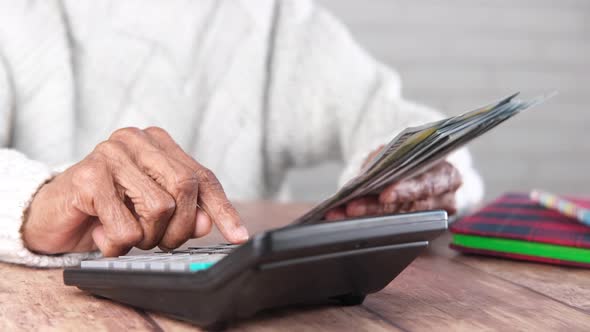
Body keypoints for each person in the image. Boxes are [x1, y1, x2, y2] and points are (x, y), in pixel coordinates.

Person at [0, 0, 483, 267]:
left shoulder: (273, 19)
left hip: (249, 301)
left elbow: (392, 117)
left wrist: (419, 168)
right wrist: (35, 203)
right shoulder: (19, 17)